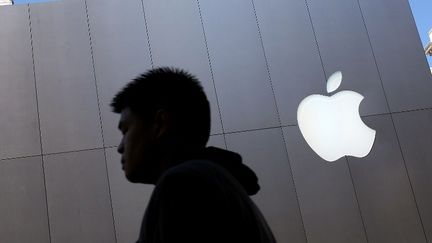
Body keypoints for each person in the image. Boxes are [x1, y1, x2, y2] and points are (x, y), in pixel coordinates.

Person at [111, 67, 276, 243]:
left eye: (126, 130)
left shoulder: (181, 185)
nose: (120, 147)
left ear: (160, 123)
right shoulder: (219, 184)